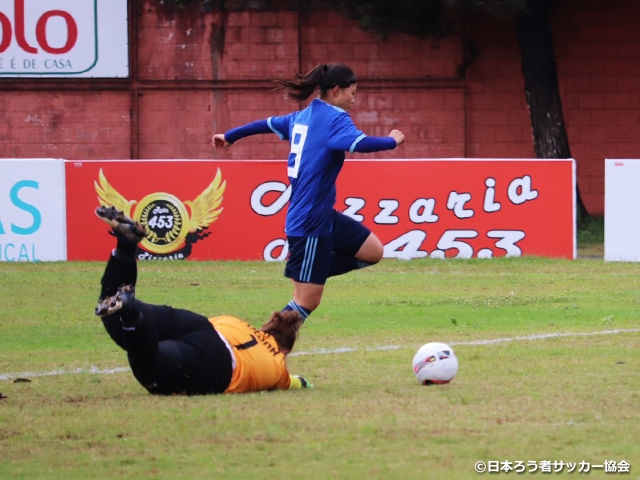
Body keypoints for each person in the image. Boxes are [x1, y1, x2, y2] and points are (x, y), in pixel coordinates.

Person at [212, 62, 405, 323]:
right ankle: (266, 344)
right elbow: (360, 144)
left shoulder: (301, 116)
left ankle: (311, 270)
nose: (354, 99)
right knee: (307, 301)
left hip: (321, 215)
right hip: (310, 221)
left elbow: (265, 124)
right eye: (353, 92)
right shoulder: (335, 119)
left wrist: (231, 136)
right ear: (336, 90)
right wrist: (392, 140)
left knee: (372, 251)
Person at [94, 205, 312, 396]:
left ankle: (126, 245)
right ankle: (131, 312)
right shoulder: (278, 368)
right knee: (152, 371)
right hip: (219, 360)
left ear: (266, 328)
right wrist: (303, 382)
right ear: (285, 351)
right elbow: (298, 383)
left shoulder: (239, 324)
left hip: (200, 325)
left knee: (113, 313)